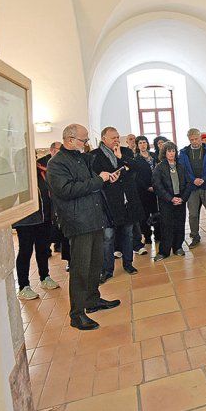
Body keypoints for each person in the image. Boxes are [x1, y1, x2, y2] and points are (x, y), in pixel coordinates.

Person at [47, 124, 121, 331]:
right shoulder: (57, 164)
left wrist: (105, 179)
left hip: (94, 217)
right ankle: (77, 314)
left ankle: (92, 299)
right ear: (69, 140)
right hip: (78, 221)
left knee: (95, 263)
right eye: (83, 140)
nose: (86, 144)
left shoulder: (80, 158)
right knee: (80, 268)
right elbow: (66, 190)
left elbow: (90, 183)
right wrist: (98, 180)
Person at [90, 127, 143, 282]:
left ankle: (128, 263)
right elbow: (95, 180)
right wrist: (107, 181)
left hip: (127, 201)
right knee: (108, 237)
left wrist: (121, 157)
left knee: (128, 233)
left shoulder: (125, 152)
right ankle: (107, 270)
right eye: (113, 137)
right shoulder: (94, 156)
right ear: (103, 138)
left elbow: (136, 168)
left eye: (118, 137)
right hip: (108, 203)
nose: (116, 140)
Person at [13, 156, 59, 300]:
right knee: (25, 251)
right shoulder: (16, 176)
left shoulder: (40, 172)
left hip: (43, 218)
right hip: (26, 221)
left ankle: (45, 277)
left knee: (43, 249)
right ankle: (23, 286)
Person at [178, 128, 206, 248]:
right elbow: (183, 169)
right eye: (191, 140)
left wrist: (204, 179)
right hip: (192, 187)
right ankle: (195, 236)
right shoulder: (184, 152)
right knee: (193, 214)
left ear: (200, 138)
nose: (194, 141)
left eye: (196, 139)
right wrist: (193, 180)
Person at [152, 142, 192, 260]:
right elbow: (157, 186)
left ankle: (178, 247)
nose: (171, 153)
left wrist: (182, 198)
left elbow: (188, 183)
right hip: (166, 201)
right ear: (164, 153)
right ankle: (164, 251)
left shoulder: (180, 166)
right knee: (166, 226)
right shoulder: (159, 168)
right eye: (169, 151)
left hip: (180, 199)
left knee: (180, 224)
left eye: (173, 151)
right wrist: (170, 198)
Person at [132, 135, 159, 247]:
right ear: (137, 145)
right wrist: (147, 187)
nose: (143, 145)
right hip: (144, 190)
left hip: (157, 189)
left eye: (144, 142)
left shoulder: (154, 155)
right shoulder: (136, 159)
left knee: (157, 213)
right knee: (145, 215)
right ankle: (147, 236)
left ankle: (158, 234)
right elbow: (136, 177)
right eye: (140, 143)